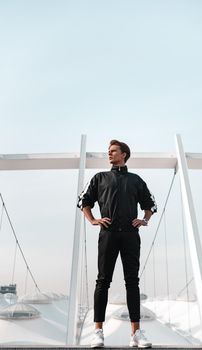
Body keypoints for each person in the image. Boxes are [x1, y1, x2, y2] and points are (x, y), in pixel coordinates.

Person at [78, 139, 157, 348]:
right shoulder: (100, 178)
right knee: (103, 281)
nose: (109, 154)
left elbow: (151, 205)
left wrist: (145, 219)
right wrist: (93, 219)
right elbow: (83, 201)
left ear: (124, 154)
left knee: (132, 282)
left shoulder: (136, 180)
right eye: (109, 151)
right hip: (108, 234)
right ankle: (98, 332)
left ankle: (136, 334)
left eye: (113, 151)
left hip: (131, 235)